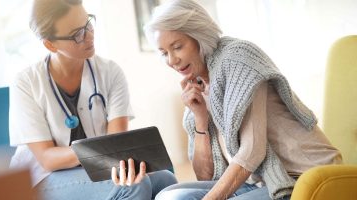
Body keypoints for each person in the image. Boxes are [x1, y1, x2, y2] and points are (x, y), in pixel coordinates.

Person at [144, 0, 342, 199]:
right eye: (164, 53)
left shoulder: (237, 58)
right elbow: (205, 175)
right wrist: (200, 118)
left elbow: (252, 151)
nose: (171, 60)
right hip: (255, 182)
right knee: (168, 196)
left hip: (304, 175)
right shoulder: (196, 85)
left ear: (199, 36)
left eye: (177, 47)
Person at [8, 0, 177, 199]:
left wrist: (106, 154)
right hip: (41, 179)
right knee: (133, 187)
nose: (89, 36)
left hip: (94, 169)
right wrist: (94, 152)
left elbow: (117, 146)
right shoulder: (26, 83)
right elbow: (47, 159)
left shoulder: (110, 72)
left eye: (88, 23)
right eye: (77, 34)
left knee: (166, 181)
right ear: (50, 44)